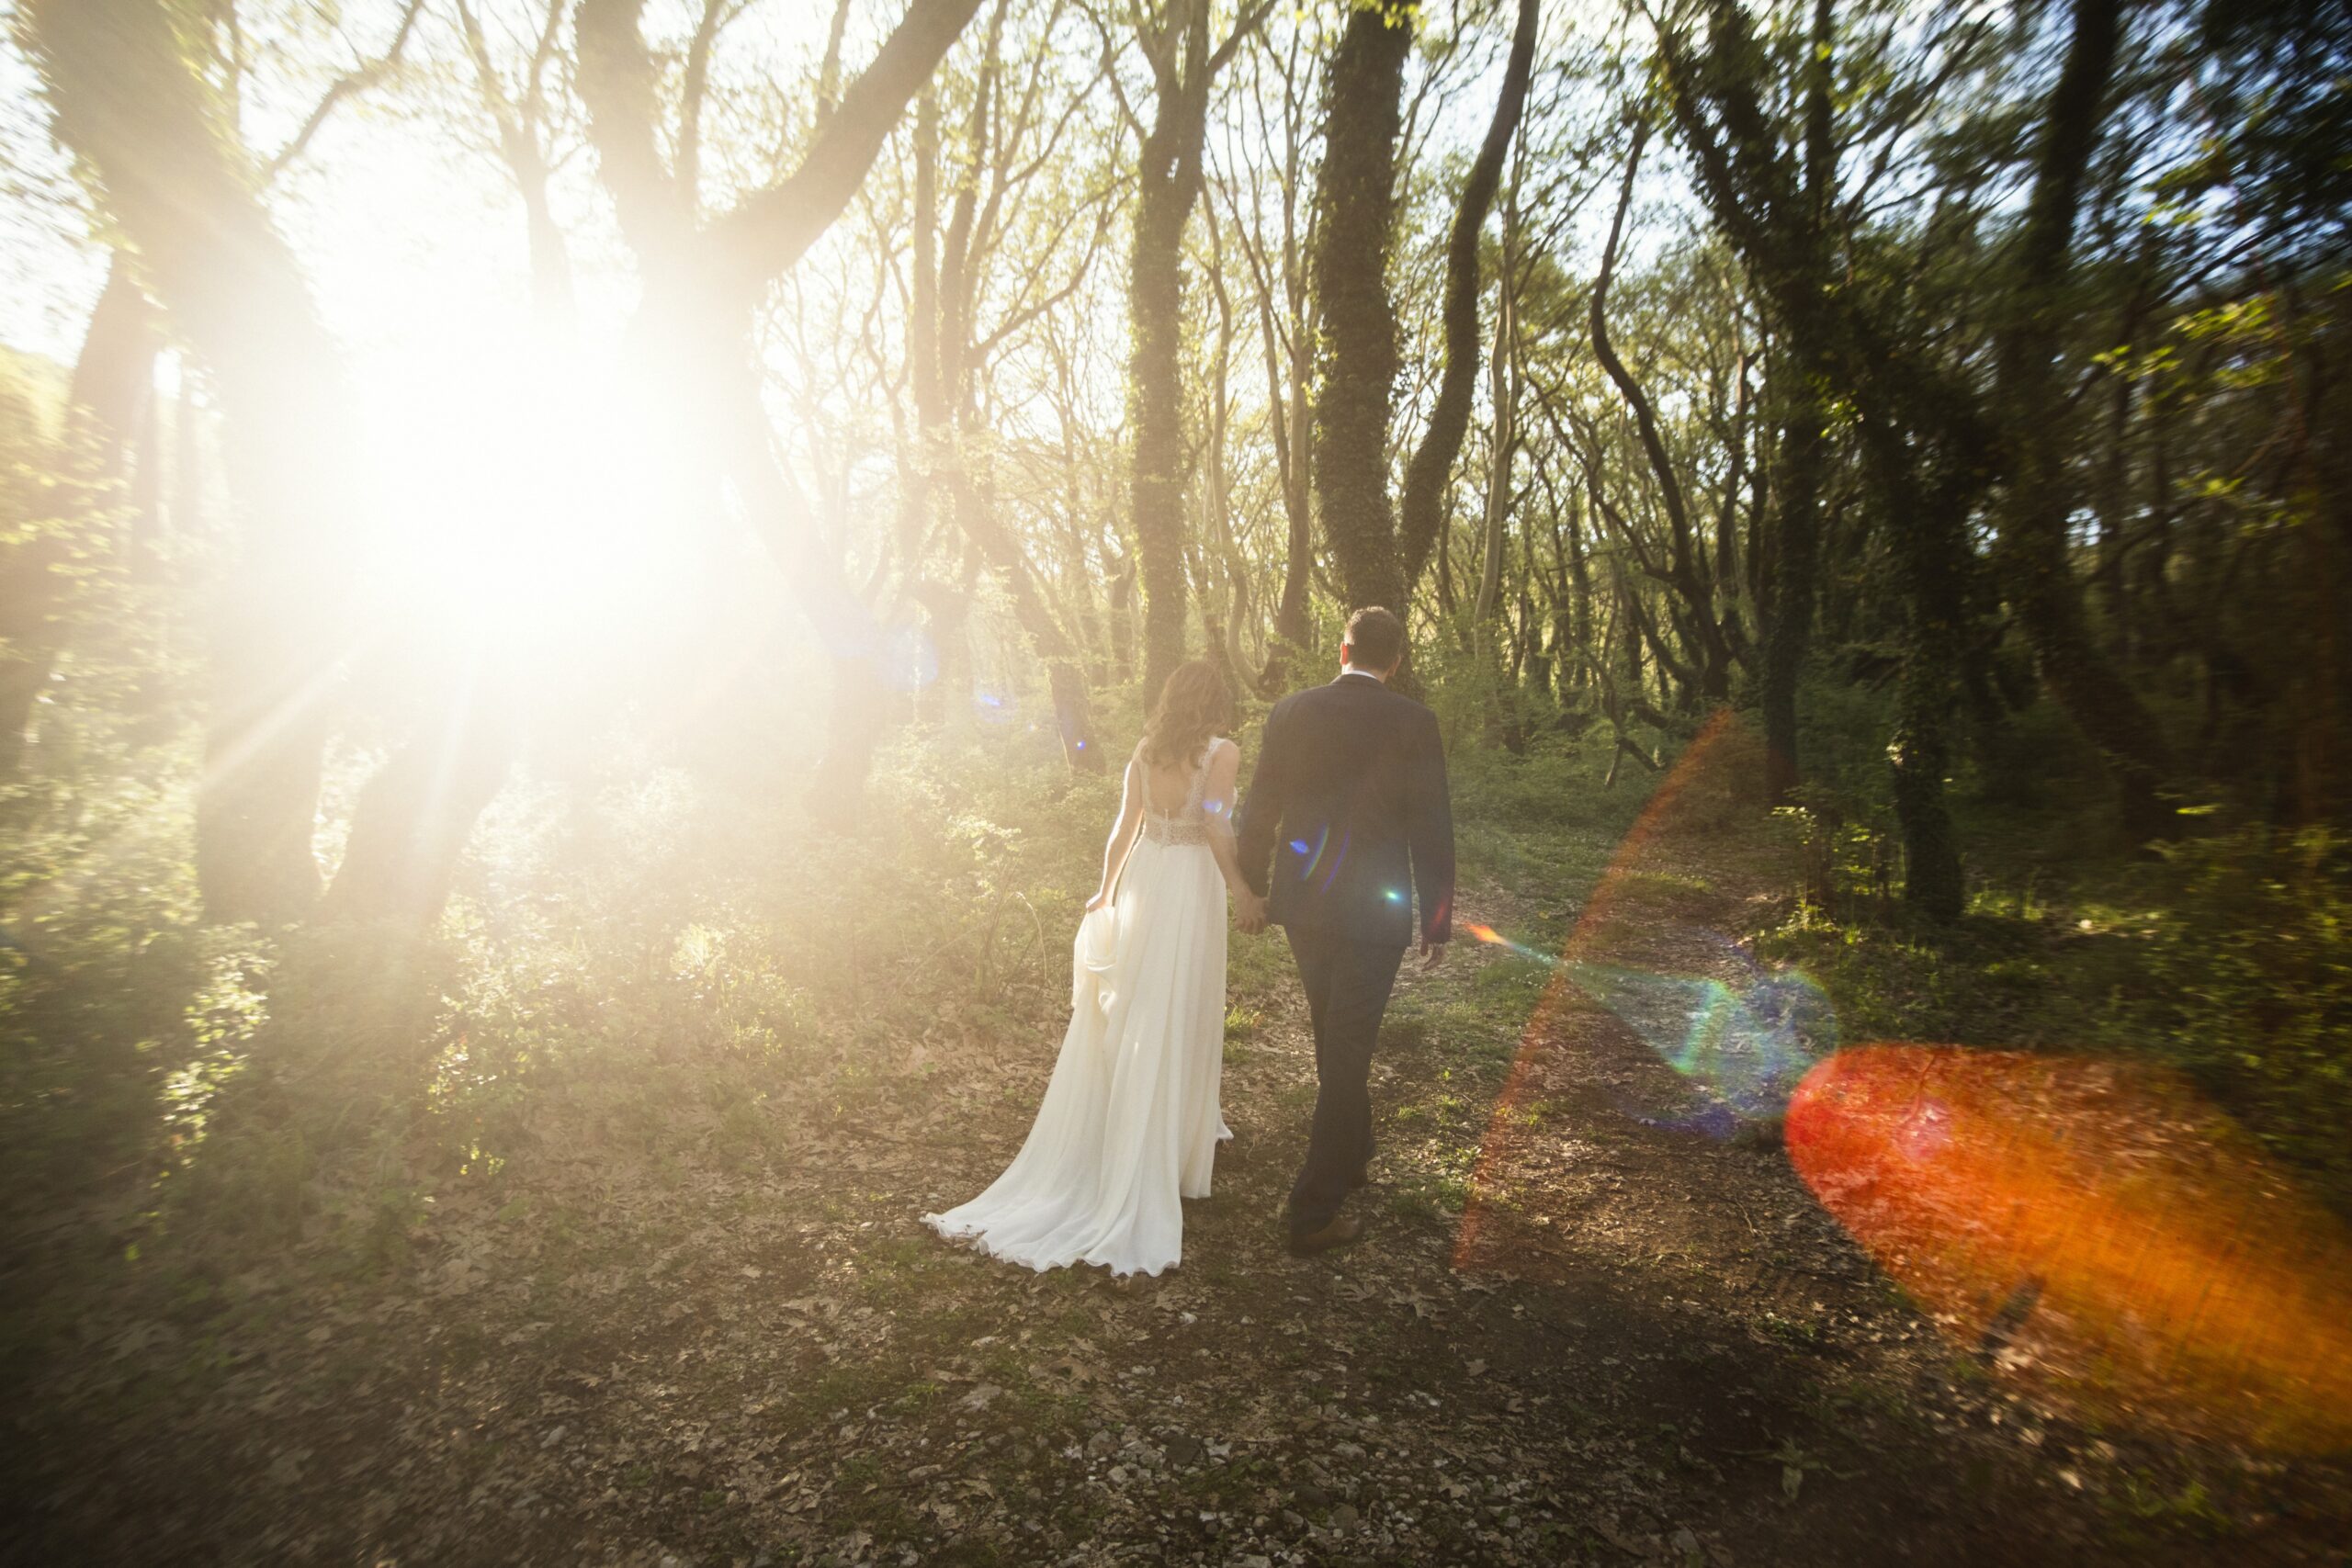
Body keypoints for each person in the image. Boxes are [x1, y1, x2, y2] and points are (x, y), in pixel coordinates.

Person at [924, 660, 1267, 1276]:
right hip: (1189, 886)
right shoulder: (1221, 752)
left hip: (1145, 878)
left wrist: (1106, 890)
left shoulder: (1146, 749)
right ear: (1215, 701)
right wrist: (1242, 888)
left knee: (1139, 1006)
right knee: (1177, 1005)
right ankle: (1163, 1144)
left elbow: (1125, 827)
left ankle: (1148, 1125)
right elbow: (1215, 825)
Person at [1235, 606, 1454, 1257]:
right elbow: (1432, 822)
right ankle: (1313, 1210)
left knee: (1334, 1033)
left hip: (1303, 904)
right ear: (1396, 661)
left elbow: (1260, 806)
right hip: (1373, 912)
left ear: (1343, 650)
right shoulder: (1415, 720)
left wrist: (1253, 885)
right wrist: (1437, 917)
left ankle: (1353, 1151)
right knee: (1347, 1045)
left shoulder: (1291, 711)